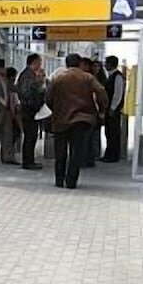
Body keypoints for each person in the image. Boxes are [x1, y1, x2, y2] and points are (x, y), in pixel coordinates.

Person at [47, 53, 109, 189]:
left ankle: (59, 179)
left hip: (61, 119)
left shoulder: (58, 78)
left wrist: (56, 109)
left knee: (60, 151)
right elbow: (101, 92)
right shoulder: (88, 77)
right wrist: (101, 110)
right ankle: (71, 181)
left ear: (66, 63)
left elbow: (48, 97)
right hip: (82, 119)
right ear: (80, 63)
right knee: (77, 151)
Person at [16, 53, 46, 170]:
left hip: (31, 109)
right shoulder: (27, 76)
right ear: (33, 63)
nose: (40, 65)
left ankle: (30, 160)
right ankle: (28, 161)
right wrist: (39, 83)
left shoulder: (30, 75)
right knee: (30, 136)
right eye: (39, 62)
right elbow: (26, 93)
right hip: (28, 110)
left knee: (32, 136)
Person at [102, 55, 126, 162]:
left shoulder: (117, 77)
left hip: (113, 110)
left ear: (111, 64)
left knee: (113, 133)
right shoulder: (111, 76)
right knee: (108, 132)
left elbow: (118, 93)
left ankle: (113, 155)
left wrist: (112, 108)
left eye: (106, 63)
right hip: (109, 109)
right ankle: (108, 154)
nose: (105, 65)